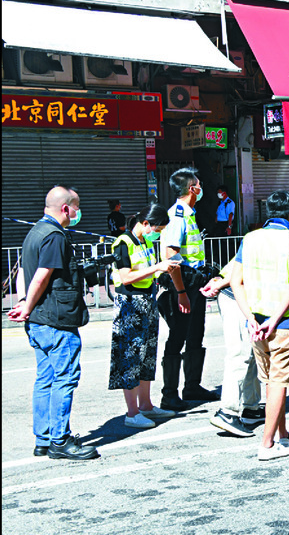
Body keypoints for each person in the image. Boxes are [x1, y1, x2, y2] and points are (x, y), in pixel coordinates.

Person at [8, 186, 98, 460]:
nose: (77, 213)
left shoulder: (35, 231)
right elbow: (42, 275)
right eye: (77, 207)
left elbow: (26, 272)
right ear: (66, 208)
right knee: (64, 378)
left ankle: (43, 438)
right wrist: (28, 305)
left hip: (40, 320)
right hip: (55, 320)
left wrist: (26, 303)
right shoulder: (55, 235)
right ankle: (60, 439)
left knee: (45, 379)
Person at [231, 192, 289, 461]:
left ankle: (283, 436)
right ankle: (267, 444)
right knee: (278, 383)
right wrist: (273, 320)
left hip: (257, 325)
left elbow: (236, 281)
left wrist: (251, 319)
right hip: (283, 324)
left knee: (271, 383)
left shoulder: (250, 238)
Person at [110, 204, 181, 429]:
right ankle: (132, 412)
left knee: (147, 354)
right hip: (130, 304)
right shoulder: (123, 242)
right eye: (158, 229)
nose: (158, 234)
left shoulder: (145, 241)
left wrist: (162, 269)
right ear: (146, 223)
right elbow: (126, 276)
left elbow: (147, 270)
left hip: (147, 301)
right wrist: (156, 268)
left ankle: (146, 405)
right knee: (131, 355)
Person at [159, 167, 217, 411]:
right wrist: (181, 293)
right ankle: (169, 394)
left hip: (194, 284)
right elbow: (172, 256)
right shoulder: (177, 216)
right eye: (199, 185)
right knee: (178, 337)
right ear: (193, 189)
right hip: (181, 288)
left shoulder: (190, 214)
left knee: (196, 334)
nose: (202, 189)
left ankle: (192, 385)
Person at [200, 260, 264, 438]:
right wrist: (218, 284)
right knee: (240, 354)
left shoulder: (265, 237)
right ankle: (227, 412)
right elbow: (240, 271)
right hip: (234, 296)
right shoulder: (273, 239)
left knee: (250, 353)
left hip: (237, 294)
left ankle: (251, 407)